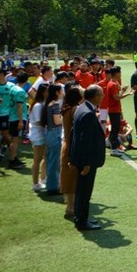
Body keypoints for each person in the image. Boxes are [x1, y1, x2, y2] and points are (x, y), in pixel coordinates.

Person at [70, 85, 106, 231]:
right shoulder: (88, 113)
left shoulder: (81, 108)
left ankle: (80, 217)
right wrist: (86, 163)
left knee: (81, 190)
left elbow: (74, 135)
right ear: (95, 97)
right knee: (85, 191)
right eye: (101, 95)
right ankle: (82, 221)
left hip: (80, 157)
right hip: (87, 160)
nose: (102, 97)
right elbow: (85, 141)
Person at [60, 84, 83, 221]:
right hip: (72, 144)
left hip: (67, 142)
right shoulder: (75, 109)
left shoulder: (67, 108)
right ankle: (71, 206)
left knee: (68, 174)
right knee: (72, 175)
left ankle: (70, 205)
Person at [107, 66, 134, 156]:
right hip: (113, 110)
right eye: (119, 72)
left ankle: (115, 147)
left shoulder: (114, 83)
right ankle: (114, 149)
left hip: (115, 109)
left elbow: (117, 96)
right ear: (116, 73)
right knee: (114, 130)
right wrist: (126, 93)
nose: (120, 74)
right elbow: (116, 98)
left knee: (115, 129)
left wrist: (123, 91)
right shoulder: (112, 84)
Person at [43, 84, 65, 195]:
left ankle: (51, 185)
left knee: (51, 161)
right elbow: (57, 121)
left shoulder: (49, 104)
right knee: (54, 162)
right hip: (55, 133)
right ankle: (52, 187)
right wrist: (64, 117)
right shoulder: (55, 105)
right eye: (61, 90)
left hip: (50, 133)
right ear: (57, 92)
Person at [6, 72, 29, 169]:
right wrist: (20, 121)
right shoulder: (20, 91)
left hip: (12, 116)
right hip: (17, 118)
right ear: (26, 80)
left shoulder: (12, 88)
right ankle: (12, 161)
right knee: (15, 140)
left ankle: (14, 158)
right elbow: (19, 106)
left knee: (14, 139)